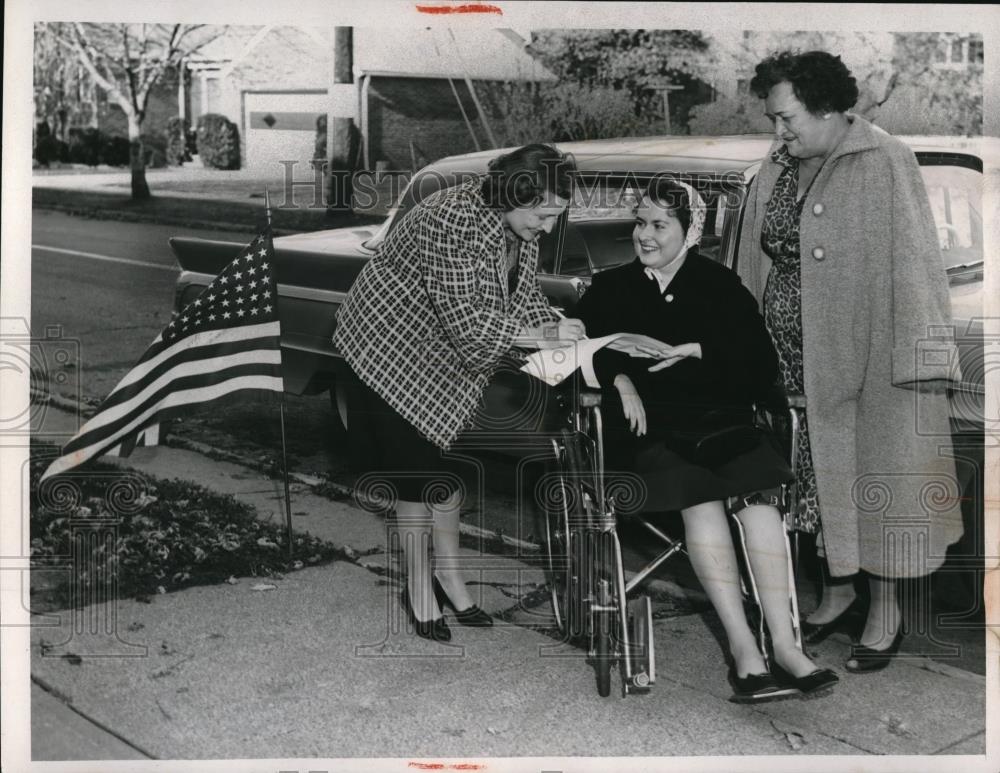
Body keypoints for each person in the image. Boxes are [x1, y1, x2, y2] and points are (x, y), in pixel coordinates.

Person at [738, 50, 963, 672]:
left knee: (876, 483)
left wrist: (921, 362)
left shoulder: (886, 160)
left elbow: (918, 267)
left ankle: (884, 610)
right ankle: (837, 591)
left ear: (830, 108)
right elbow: (751, 260)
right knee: (810, 484)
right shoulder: (779, 164)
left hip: (866, 361)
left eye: (787, 119)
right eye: (773, 120)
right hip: (789, 361)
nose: (777, 132)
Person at [574, 177, 836, 702]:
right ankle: (745, 652)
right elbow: (581, 348)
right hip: (653, 433)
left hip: (723, 425)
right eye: (639, 223)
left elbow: (762, 365)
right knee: (703, 505)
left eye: (658, 225)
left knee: (761, 508)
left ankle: (786, 647)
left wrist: (698, 348)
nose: (644, 236)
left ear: (689, 231)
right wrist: (617, 375)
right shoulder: (610, 288)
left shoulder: (720, 284)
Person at [333, 144, 585, 642]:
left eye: (555, 215)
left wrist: (554, 323)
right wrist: (539, 336)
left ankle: (449, 576)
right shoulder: (451, 218)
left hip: (443, 354)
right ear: (515, 194)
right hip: (390, 348)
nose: (549, 226)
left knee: (444, 471)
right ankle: (417, 588)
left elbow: (522, 292)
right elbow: (468, 321)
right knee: (414, 475)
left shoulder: (520, 226)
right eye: (543, 213)